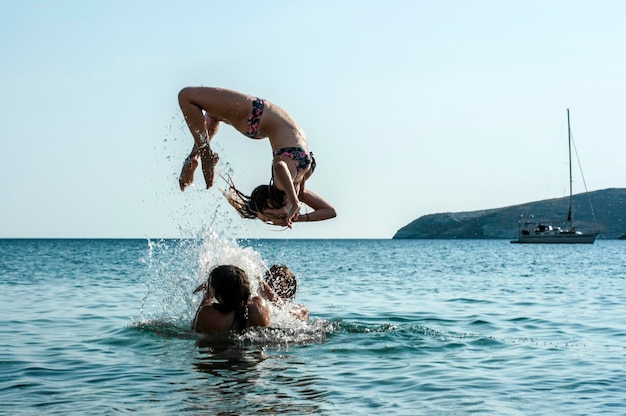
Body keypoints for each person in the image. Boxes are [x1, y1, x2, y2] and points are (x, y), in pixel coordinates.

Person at [177, 86, 337, 227]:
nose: (274, 220)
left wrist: (294, 205)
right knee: (211, 115)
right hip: (258, 118)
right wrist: (297, 215)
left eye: (268, 219)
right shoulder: (295, 190)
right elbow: (330, 211)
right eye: (269, 218)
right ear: (270, 203)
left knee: (186, 96)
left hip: (258, 116)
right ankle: (198, 157)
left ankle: (201, 156)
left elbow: (280, 166)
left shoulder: (288, 187)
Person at [191, 265, 270, 333]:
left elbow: (195, 329)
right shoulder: (259, 306)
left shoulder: (208, 314)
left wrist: (207, 297)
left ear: (217, 293)